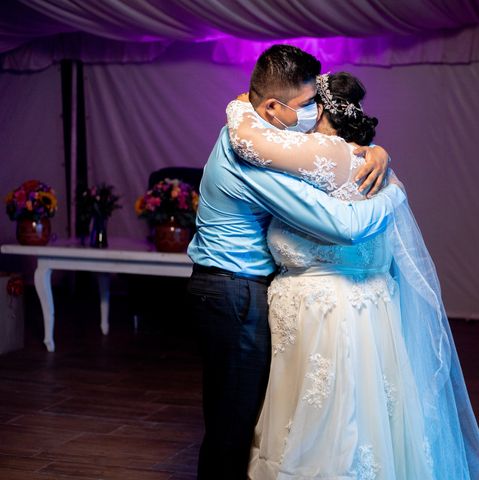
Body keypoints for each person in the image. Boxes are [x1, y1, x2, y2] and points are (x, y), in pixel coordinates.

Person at [225, 72, 479, 478]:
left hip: (321, 316)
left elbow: (248, 142)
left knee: (326, 427)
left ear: (321, 111)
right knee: (366, 421)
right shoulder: (366, 160)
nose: (302, 110)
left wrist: (241, 103)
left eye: (308, 102)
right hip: (371, 312)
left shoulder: (318, 154)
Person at [186, 46, 404, 480]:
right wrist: (395, 190)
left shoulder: (251, 129)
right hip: (235, 292)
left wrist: (375, 151)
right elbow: (337, 224)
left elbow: (319, 157)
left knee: (234, 421)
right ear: (271, 106)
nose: (311, 116)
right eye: (306, 106)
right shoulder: (252, 161)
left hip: (231, 289)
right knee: (231, 426)